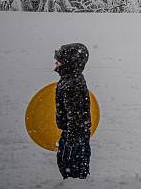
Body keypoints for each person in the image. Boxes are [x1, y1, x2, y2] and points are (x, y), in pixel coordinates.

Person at [54, 43, 92, 180]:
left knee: (72, 170)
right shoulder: (70, 80)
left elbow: (76, 116)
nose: (55, 64)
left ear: (68, 64)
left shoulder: (72, 84)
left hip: (75, 135)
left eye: (59, 61)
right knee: (71, 167)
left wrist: (70, 142)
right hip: (76, 134)